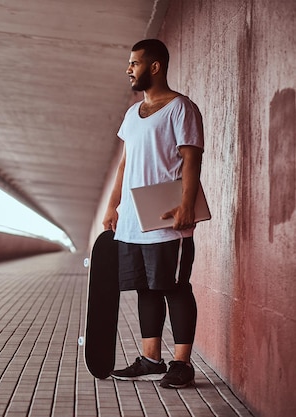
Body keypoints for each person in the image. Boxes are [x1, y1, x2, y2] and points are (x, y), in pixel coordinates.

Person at [102, 39, 204, 389]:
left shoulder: (181, 108)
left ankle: (181, 363)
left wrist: (187, 205)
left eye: (135, 63)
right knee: (146, 289)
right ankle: (150, 358)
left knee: (175, 288)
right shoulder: (132, 114)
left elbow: (192, 158)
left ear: (155, 66)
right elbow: (125, 163)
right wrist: (113, 205)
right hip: (133, 220)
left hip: (168, 220)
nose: (129, 69)